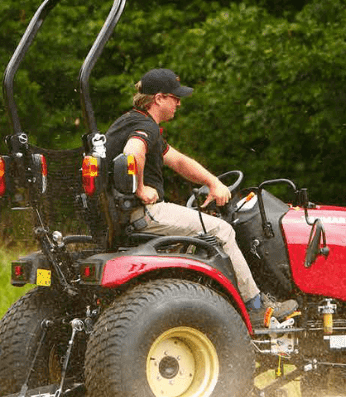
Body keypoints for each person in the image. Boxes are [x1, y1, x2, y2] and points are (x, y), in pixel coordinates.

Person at [105, 68, 298, 327]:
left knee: (209, 228)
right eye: (175, 97)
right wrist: (139, 188)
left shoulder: (132, 120)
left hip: (127, 212)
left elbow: (179, 161)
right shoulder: (144, 126)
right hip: (144, 211)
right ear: (159, 98)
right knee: (223, 230)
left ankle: (222, 298)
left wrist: (213, 182)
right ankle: (255, 307)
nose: (179, 103)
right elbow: (133, 151)